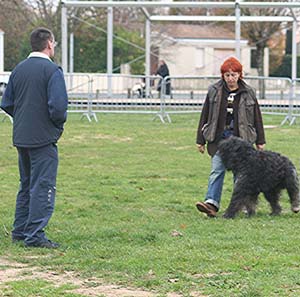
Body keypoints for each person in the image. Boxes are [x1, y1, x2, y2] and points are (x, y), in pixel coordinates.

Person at [0, 27, 68, 248]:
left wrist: (23, 119)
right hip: (43, 138)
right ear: (49, 44)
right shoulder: (52, 71)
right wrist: (55, 128)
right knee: (43, 185)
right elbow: (58, 107)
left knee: (26, 184)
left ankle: (20, 231)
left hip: (22, 135)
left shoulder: (18, 70)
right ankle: (35, 235)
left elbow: (7, 103)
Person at [195, 56, 265, 218]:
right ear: (223, 76)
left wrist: (260, 140)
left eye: (234, 75)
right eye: (227, 75)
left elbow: (257, 117)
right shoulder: (214, 90)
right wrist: (200, 140)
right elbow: (205, 114)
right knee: (217, 170)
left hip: (241, 141)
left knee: (240, 174)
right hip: (219, 139)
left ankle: (242, 204)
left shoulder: (249, 92)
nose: (230, 78)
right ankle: (211, 203)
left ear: (240, 75)